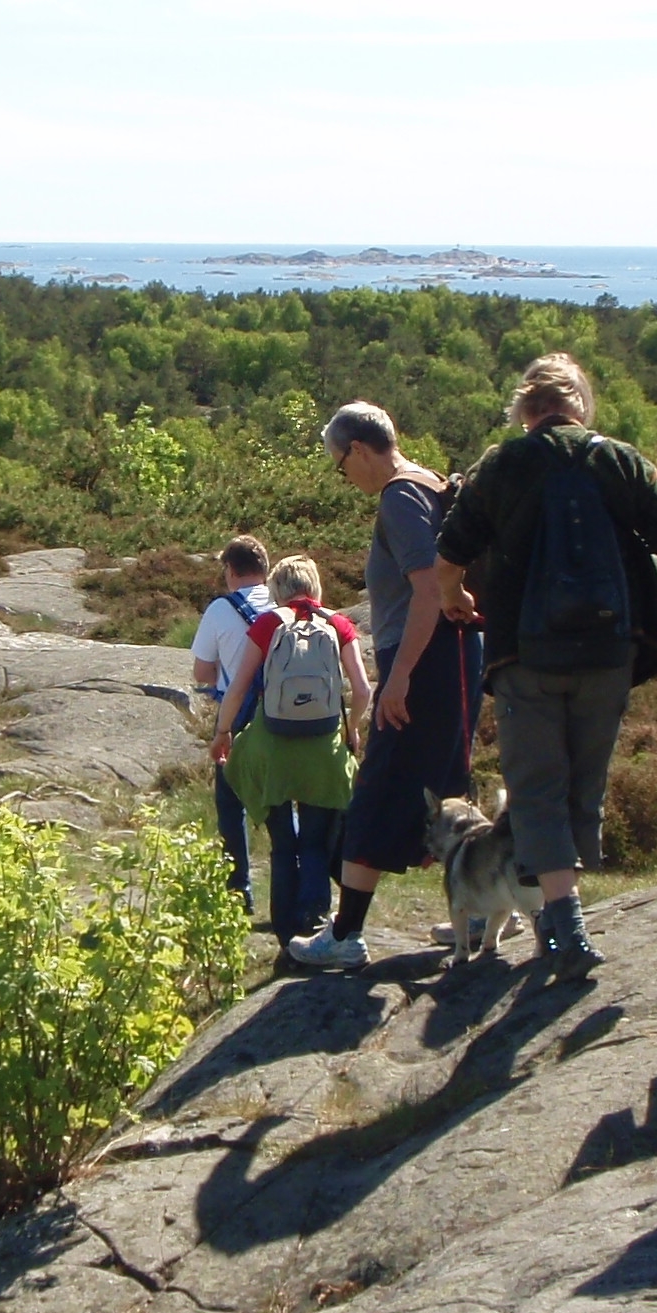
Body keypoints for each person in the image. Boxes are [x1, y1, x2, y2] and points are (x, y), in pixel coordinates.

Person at [433, 356, 657, 972]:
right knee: (582, 783)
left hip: (526, 655)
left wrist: (453, 596)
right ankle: (560, 913)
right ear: (579, 406)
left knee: (536, 785)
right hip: (608, 652)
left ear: (527, 409)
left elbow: (452, 548)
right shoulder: (619, 460)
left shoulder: (503, 464)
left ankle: (562, 921)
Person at [293, 402, 488, 972]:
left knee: (378, 790)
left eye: (339, 464)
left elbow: (428, 588)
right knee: (449, 783)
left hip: (425, 660)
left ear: (358, 449)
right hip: (455, 654)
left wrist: (396, 678)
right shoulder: (431, 483)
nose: (343, 476)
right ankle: (475, 913)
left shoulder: (399, 498)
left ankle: (347, 935)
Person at [211, 556, 372, 950]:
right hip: (324, 749)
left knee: (284, 845)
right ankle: (315, 926)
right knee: (316, 842)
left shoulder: (268, 624)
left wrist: (223, 732)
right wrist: (351, 731)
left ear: (278, 592)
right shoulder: (338, 624)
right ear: (316, 588)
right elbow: (364, 691)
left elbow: (239, 688)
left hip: (273, 749)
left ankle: (285, 933)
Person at [188, 536, 277, 913]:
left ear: (230, 570)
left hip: (236, 717)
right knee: (283, 803)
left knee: (230, 802)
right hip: (282, 715)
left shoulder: (220, 610)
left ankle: (238, 891)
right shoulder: (283, 604)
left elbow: (203, 671)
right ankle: (299, 896)